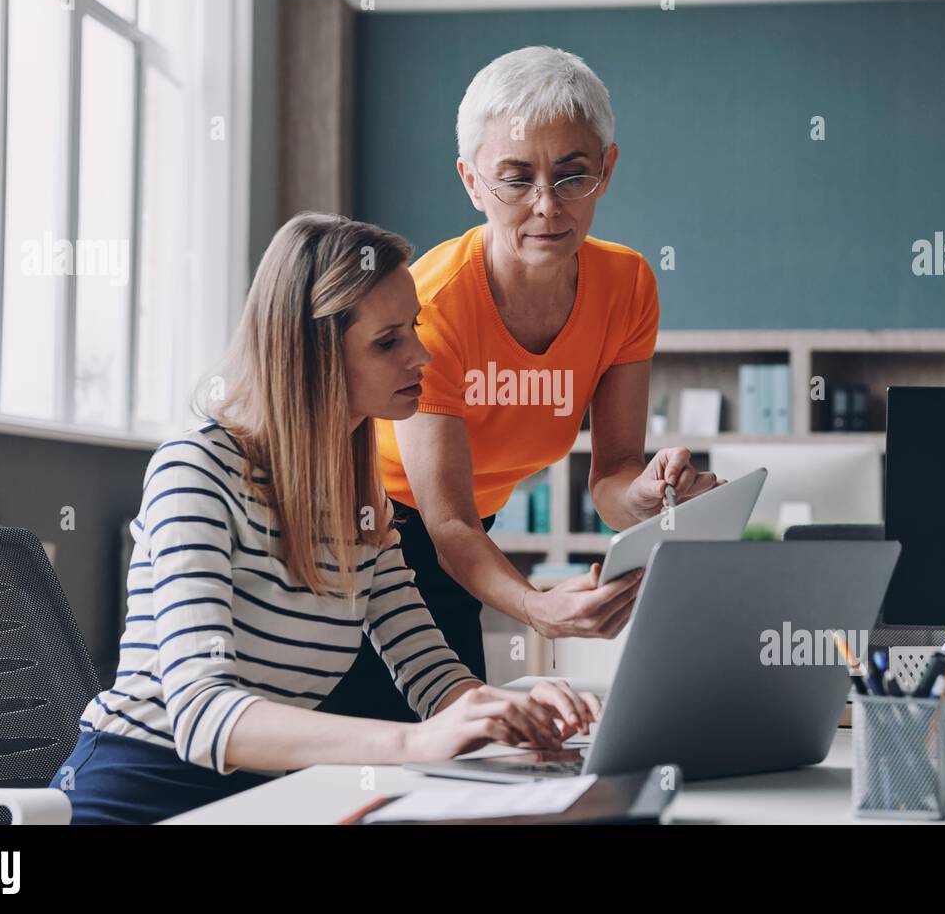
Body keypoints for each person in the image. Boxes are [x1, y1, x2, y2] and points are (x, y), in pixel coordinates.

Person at [54, 212, 599, 824]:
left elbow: (428, 670)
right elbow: (200, 713)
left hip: (265, 802)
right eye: (388, 341)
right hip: (139, 794)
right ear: (310, 354)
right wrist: (414, 743)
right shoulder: (195, 471)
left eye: (414, 327)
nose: (422, 354)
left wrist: (513, 708)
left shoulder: (361, 502)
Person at [322, 47, 720, 724]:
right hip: (360, 532)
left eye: (572, 177)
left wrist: (653, 498)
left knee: (459, 748)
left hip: (468, 536)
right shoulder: (436, 306)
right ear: (473, 183)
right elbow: (444, 520)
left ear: (607, 170)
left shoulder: (627, 287)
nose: (546, 207)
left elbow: (613, 479)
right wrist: (537, 607)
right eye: (515, 179)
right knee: (375, 753)